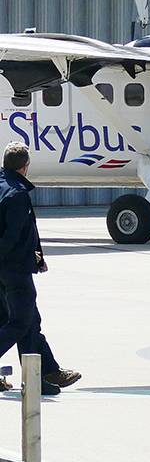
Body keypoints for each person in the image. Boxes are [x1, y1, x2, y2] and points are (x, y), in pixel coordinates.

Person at [0, 145, 76, 396]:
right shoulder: (18, 193)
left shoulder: (4, 186)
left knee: (28, 320)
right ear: (25, 166)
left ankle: (45, 373)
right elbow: (14, 237)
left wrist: (38, 257)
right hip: (13, 271)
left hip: (7, 270)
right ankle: (41, 376)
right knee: (21, 322)